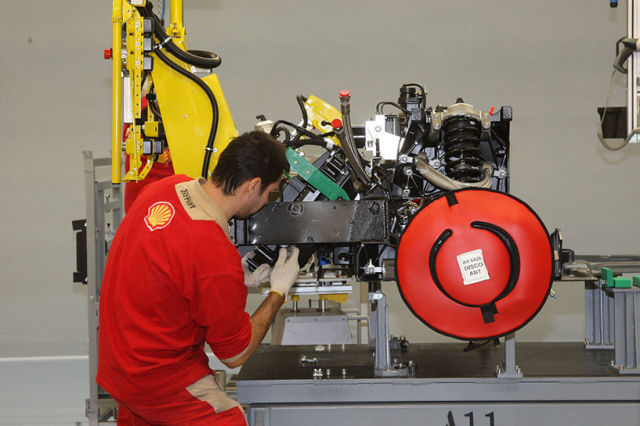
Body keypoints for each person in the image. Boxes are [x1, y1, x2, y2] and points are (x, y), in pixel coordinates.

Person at [97, 131, 299, 425]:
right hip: (156, 380)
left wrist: (231, 282)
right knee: (229, 419)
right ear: (253, 185)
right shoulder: (213, 252)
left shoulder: (165, 188)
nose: (268, 200)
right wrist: (278, 291)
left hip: (118, 368)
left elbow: (172, 272)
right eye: (270, 192)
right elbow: (236, 354)